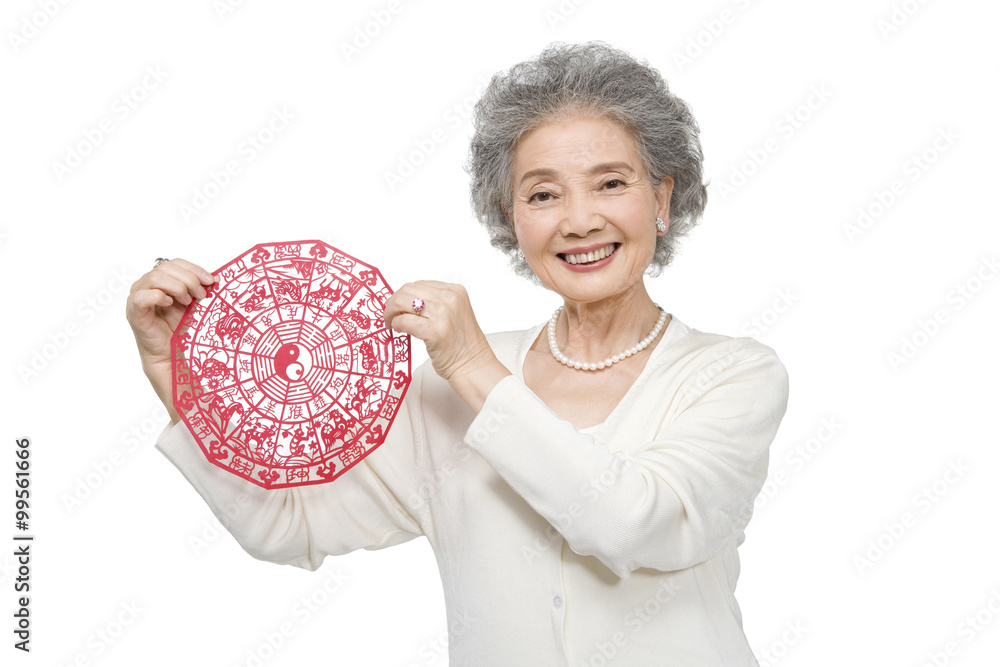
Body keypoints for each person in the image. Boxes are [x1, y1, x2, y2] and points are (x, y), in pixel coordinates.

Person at [126, 41, 789, 666]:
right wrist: (179, 371)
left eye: (611, 183)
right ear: (512, 217)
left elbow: (633, 524)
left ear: (663, 198)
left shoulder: (733, 375)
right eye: (543, 193)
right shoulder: (439, 393)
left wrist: (473, 366)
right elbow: (290, 527)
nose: (579, 219)